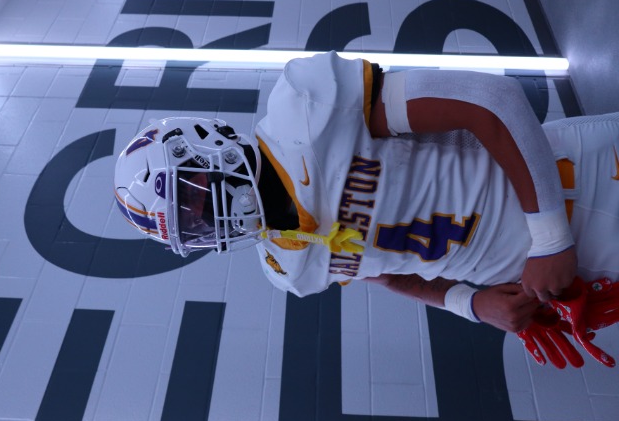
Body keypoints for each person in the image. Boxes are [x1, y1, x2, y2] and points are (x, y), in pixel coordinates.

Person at [114, 51, 619, 367]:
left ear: (204, 144)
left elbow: (489, 99)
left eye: (191, 194)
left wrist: (551, 237)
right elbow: (388, 273)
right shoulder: (285, 264)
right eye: (190, 224)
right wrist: (471, 304)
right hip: (573, 271)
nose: (204, 215)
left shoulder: (305, 111)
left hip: (585, 181)